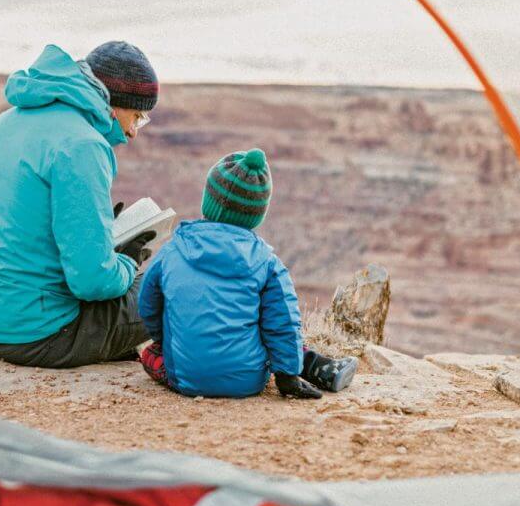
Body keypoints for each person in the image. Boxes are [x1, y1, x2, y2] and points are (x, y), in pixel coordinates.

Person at [0, 41, 159, 368]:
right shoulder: (83, 145)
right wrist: (127, 262)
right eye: (136, 115)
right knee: (164, 291)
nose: (134, 131)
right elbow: (93, 281)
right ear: (112, 103)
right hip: (41, 334)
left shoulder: (0, 125)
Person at [137, 147, 357, 399]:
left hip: (185, 378)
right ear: (257, 215)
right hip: (248, 381)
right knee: (265, 331)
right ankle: (311, 364)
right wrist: (287, 378)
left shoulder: (173, 250)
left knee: (149, 354)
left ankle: (307, 361)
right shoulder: (267, 262)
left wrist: (166, 337)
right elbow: (282, 322)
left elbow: (147, 304)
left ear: (208, 199)